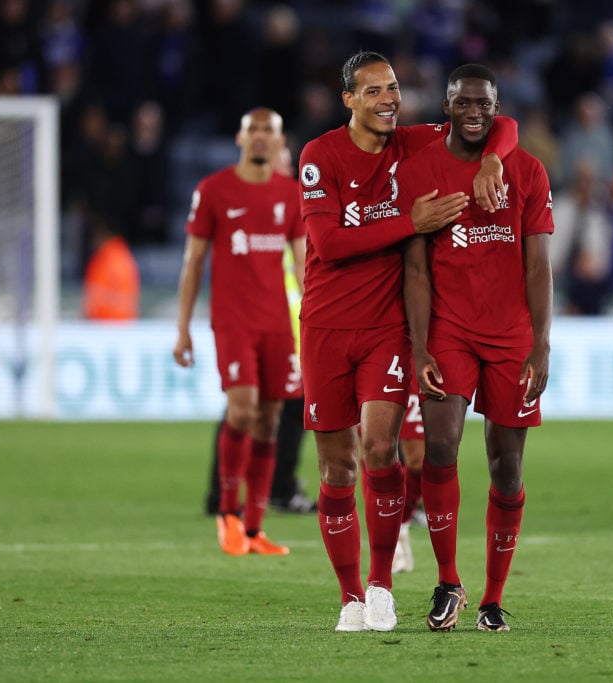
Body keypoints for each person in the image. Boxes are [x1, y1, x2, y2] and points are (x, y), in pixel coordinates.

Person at [298, 50, 517, 633]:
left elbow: (498, 122)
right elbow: (329, 243)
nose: (388, 99)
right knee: (336, 467)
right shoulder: (319, 156)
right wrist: (410, 224)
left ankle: (380, 585)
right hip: (324, 326)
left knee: (379, 449)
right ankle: (348, 596)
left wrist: (493, 159)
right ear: (348, 100)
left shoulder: (415, 143)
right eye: (373, 91)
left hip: (387, 328)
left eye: (393, 87)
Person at [399, 64, 554, 632]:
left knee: (506, 467)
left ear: (496, 108)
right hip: (449, 330)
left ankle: (492, 598)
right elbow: (414, 271)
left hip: (511, 335)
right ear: (446, 105)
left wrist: (541, 344)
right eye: (462, 102)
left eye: (483, 104)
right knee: (439, 446)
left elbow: (538, 265)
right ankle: (448, 582)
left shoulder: (527, 170)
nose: (473, 112)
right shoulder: (419, 170)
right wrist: (420, 347)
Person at [173, 107, 304, 556]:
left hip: (278, 325)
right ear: (240, 138)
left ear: (281, 142)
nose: (262, 138)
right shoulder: (213, 190)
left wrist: (318, 318)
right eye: (255, 131)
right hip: (233, 321)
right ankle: (228, 513)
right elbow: (193, 262)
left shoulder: (291, 194)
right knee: (243, 410)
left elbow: (305, 267)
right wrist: (182, 328)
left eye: (271, 131)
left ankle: (253, 528)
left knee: (270, 420)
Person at [392, 373, 425, 574]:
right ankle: (385, 537)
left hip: (422, 364)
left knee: (420, 462)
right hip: (383, 361)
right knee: (375, 452)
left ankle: (400, 526)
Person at [82, 215, 140, 321]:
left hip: (104, 324)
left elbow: (94, 298)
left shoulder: (103, 259)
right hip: (125, 323)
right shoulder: (125, 256)